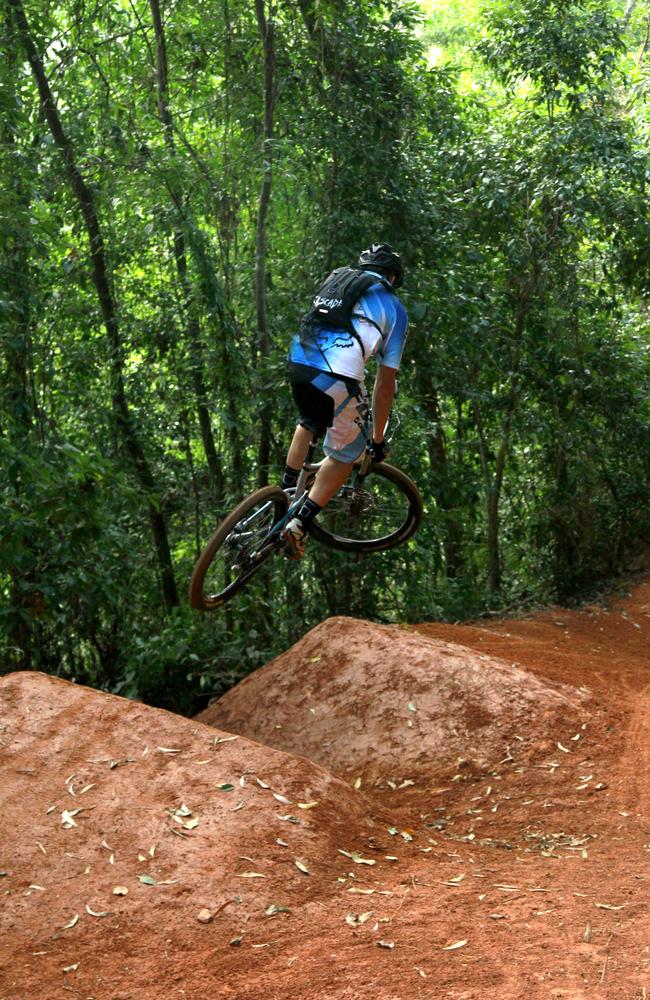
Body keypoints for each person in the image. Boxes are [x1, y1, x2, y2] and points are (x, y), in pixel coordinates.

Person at [281, 243, 408, 559]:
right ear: (393, 277)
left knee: (310, 420)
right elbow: (384, 384)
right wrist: (376, 440)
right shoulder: (394, 308)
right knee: (350, 448)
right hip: (339, 376)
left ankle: (283, 494)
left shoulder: (337, 280)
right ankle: (299, 523)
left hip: (298, 361)